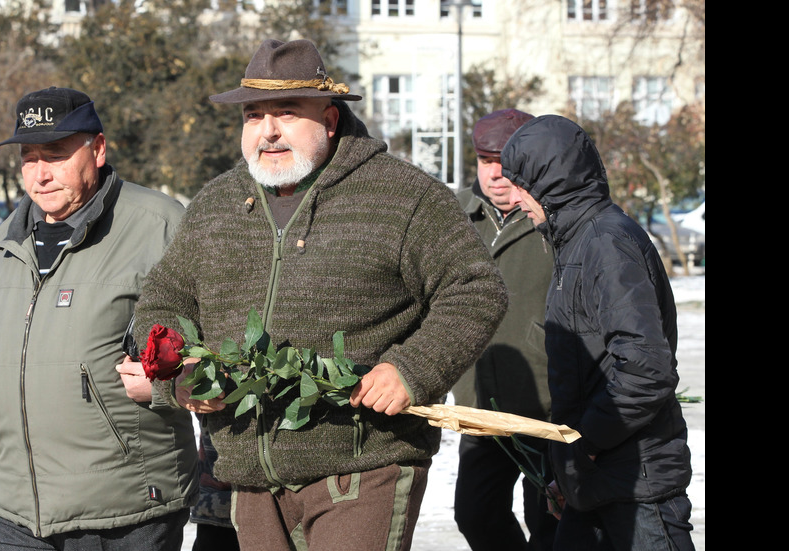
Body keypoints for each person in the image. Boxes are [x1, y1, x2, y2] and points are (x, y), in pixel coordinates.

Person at [119, 38, 508, 551]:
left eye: (286, 112)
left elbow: (476, 289)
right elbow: (163, 304)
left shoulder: (403, 197)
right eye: (254, 115)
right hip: (250, 478)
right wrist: (178, 378)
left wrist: (414, 370)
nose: (268, 130)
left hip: (363, 466)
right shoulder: (216, 204)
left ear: (328, 118)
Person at [0, 86, 198, 551]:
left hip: (127, 511)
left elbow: (216, 336)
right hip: (18, 512)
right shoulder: (2, 243)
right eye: (29, 157)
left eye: (57, 155)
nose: (40, 174)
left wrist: (173, 380)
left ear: (98, 149)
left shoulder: (160, 224)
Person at [500, 114, 695, 550]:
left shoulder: (607, 244)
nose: (514, 200)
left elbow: (646, 370)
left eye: (521, 185)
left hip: (636, 487)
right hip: (596, 483)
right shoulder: (575, 242)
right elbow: (585, 373)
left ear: (552, 184)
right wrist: (567, 469)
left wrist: (583, 446)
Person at [451, 109, 558, 551]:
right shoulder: (453, 215)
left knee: (549, 519)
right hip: (480, 406)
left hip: (548, 407)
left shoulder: (554, 218)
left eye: (506, 160)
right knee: (475, 513)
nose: (495, 174)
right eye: (484, 159)